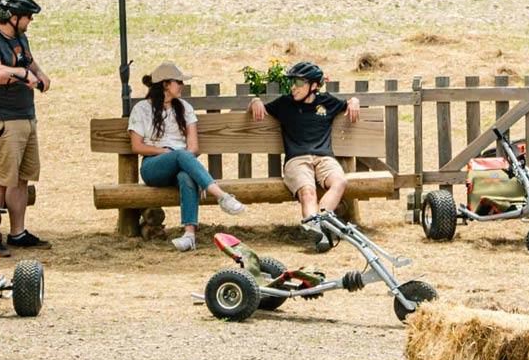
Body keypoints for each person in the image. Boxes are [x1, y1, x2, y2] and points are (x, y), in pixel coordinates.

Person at [130, 63, 246, 251]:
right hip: (153, 166)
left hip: (182, 163)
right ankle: (221, 196)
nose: (182, 85)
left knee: (186, 176)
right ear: (165, 84)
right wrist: (168, 153)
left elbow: (194, 148)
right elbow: (137, 146)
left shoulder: (184, 108)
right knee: (181, 156)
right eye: (179, 81)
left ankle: (189, 235)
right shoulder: (142, 109)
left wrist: (181, 159)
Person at [247, 60, 358, 251]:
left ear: (314, 86)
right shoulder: (285, 104)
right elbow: (258, 107)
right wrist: (254, 101)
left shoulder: (327, 102)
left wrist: (354, 101)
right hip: (297, 160)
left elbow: (347, 103)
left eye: (298, 83)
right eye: (292, 82)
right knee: (308, 192)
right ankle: (320, 232)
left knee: (340, 182)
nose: (293, 87)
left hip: (324, 158)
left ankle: (320, 224)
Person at [0, 0, 52, 255]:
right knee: (0, 180)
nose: (30, 20)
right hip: (3, 120)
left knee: (21, 179)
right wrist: (21, 74)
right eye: (28, 16)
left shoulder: (19, 38)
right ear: (13, 17)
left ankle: (17, 233)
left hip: (25, 117)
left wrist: (40, 75)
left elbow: (28, 60)